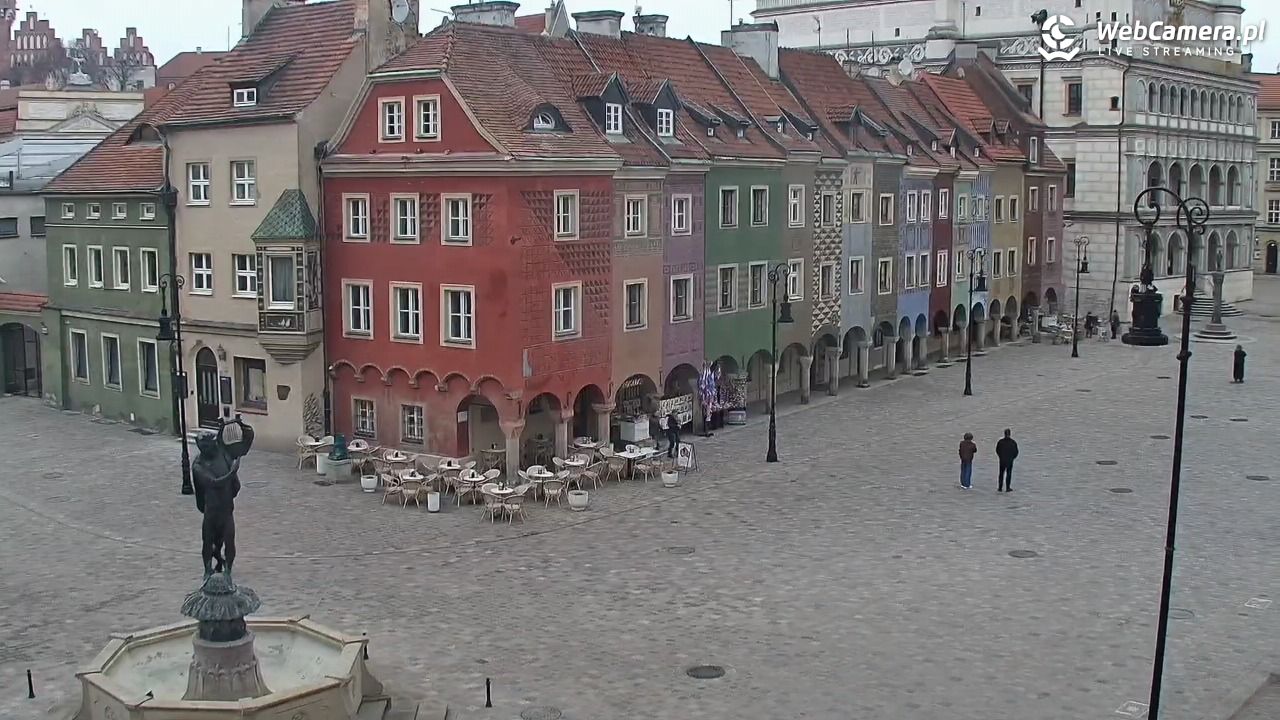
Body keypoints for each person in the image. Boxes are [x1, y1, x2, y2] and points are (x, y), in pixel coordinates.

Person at [191, 416, 254, 579]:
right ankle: (207, 569)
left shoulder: (222, 453)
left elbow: (246, 439)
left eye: (213, 443)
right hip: (211, 510)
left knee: (229, 540)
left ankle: (228, 568)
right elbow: (214, 482)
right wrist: (233, 471)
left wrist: (239, 425)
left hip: (226, 509)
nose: (214, 446)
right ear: (203, 448)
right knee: (208, 541)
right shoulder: (198, 465)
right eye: (210, 445)